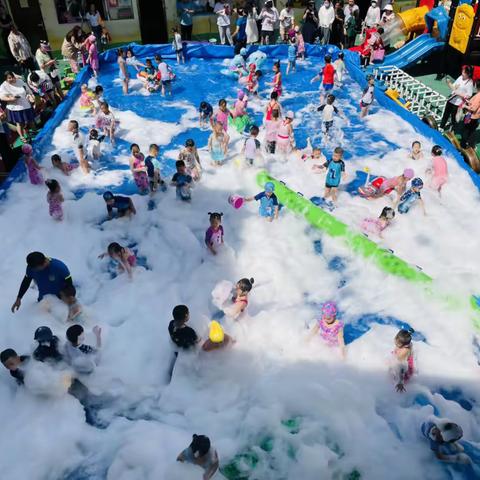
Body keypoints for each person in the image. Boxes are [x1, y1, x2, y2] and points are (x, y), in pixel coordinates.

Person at [11, 252, 81, 321]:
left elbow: (69, 284)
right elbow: (26, 281)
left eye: (36, 269)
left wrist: (70, 300)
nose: (34, 270)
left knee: (65, 321)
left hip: (61, 300)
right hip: (44, 300)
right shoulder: (31, 268)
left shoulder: (59, 267)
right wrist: (19, 298)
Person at [0, 71, 34, 143]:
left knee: (30, 120)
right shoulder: (3, 86)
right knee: (19, 123)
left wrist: (31, 95)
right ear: (6, 79)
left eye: (12, 77)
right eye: (9, 78)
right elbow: (2, 97)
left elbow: (28, 90)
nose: (12, 79)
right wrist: (10, 99)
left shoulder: (20, 81)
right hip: (15, 107)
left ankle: (33, 132)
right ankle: (22, 137)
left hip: (25, 104)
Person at [440, 65, 474, 131]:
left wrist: (460, 94)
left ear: (468, 74)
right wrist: (449, 83)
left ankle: (452, 129)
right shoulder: (460, 77)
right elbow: (454, 87)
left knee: (454, 117)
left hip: (458, 102)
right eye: (462, 71)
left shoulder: (470, 83)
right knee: (446, 113)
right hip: (452, 98)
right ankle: (441, 126)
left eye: (464, 72)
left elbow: (469, 95)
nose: (462, 73)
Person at [461, 85, 480, 149]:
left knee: (466, 130)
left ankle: (463, 146)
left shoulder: (478, 96)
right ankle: (471, 145)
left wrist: (465, 106)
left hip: (470, 116)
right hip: (476, 117)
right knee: (472, 131)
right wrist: (469, 102)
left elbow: (474, 109)